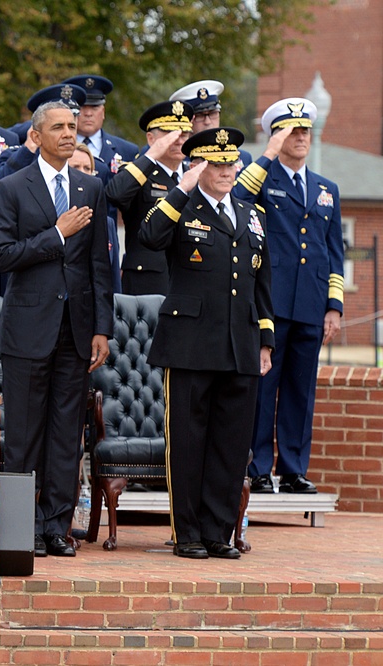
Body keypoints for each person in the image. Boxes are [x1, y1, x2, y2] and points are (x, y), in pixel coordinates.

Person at [140, 127, 274, 559]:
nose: (226, 171)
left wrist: (266, 341)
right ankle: (189, 532)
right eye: (215, 164)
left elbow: (262, 283)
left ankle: (219, 531)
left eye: (230, 163)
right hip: (191, 343)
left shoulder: (251, 213)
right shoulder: (181, 206)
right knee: (190, 441)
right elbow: (150, 236)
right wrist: (181, 188)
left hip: (240, 343)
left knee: (231, 443)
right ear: (198, 165)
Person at [0, 101, 114, 558]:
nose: (69, 133)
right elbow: (2, 256)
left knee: (66, 434)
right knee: (24, 435)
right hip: (27, 329)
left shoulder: (90, 186)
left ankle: (57, 527)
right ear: (36, 137)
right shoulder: (10, 187)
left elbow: (100, 264)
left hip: (77, 331)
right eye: (58, 127)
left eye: (72, 126)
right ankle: (22, 531)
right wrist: (57, 235)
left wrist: (102, 327)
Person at [235, 98, 344, 495]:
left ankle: (294, 468)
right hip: (271, 303)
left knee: (301, 389)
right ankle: (259, 467)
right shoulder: (261, 178)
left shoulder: (326, 189)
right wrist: (266, 155)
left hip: (312, 305)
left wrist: (334, 306)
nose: (300, 138)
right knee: (264, 388)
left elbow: (334, 252)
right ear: (275, 135)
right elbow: (239, 202)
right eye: (291, 131)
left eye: (305, 131)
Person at [106, 100, 195, 295]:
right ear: (150, 138)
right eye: (170, 134)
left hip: (187, 279)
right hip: (147, 282)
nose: (179, 139)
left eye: (185, 134)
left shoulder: (194, 176)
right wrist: (152, 155)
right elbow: (115, 194)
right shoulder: (138, 173)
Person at [61, 74, 139, 189]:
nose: (88, 113)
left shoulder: (127, 151)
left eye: (94, 107)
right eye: (82, 107)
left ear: (103, 112)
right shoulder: (58, 145)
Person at [71, 143, 122, 295]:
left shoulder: (107, 223)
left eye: (87, 169)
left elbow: (113, 280)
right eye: (75, 168)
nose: (83, 174)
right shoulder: (52, 216)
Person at [169, 80, 253, 169]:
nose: (208, 122)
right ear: (187, 120)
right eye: (199, 115)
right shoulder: (177, 157)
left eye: (213, 113)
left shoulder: (242, 157)